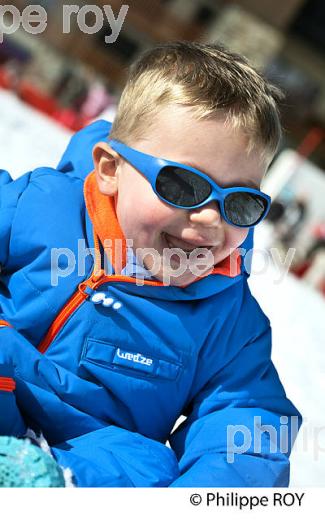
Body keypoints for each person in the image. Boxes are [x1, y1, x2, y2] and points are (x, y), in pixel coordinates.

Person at [0, 41, 301, 487]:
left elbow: (249, 427)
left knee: (151, 468)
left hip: (88, 458)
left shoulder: (229, 324)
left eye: (238, 203)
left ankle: (45, 483)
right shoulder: (41, 207)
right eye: (181, 184)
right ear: (109, 168)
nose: (209, 218)